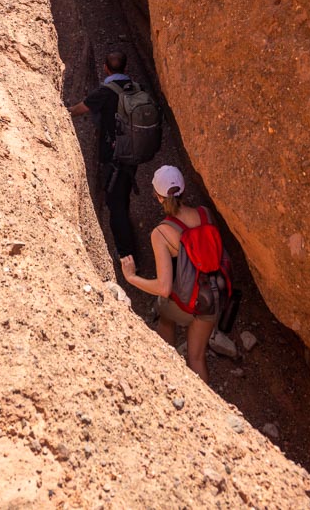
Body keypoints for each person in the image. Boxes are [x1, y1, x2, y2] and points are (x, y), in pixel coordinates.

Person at [120, 165, 219, 382]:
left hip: (189, 302)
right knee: (196, 358)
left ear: (157, 197)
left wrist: (131, 277)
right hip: (213, 297)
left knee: (165, 312)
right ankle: (211, 410)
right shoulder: (205, 213)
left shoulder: (161, 233)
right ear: (184, 190)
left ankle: (165, 374)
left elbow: (164, 288)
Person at [68, 51, 137, 259]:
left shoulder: (105, 92)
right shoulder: (134, 88)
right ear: (126, 69)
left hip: (114, 156)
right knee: (122, 197)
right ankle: (129, 238)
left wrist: (60, 109)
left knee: (115, 205)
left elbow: (80, 109)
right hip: (133, 152)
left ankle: (127, 254)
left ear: (106, 68)